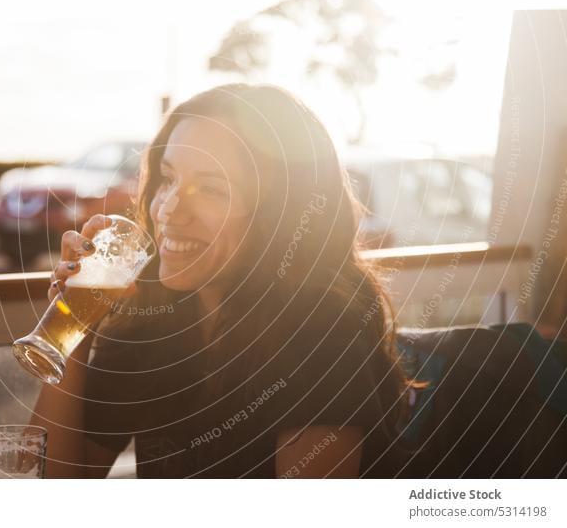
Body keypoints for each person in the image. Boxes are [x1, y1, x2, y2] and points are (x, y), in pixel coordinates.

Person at [29, 83, 412, 478]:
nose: (169, 211)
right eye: (167, 178)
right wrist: (77, 323)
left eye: (211, 189)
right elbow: (50, 484)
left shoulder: (323, 330)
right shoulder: (156, 323)